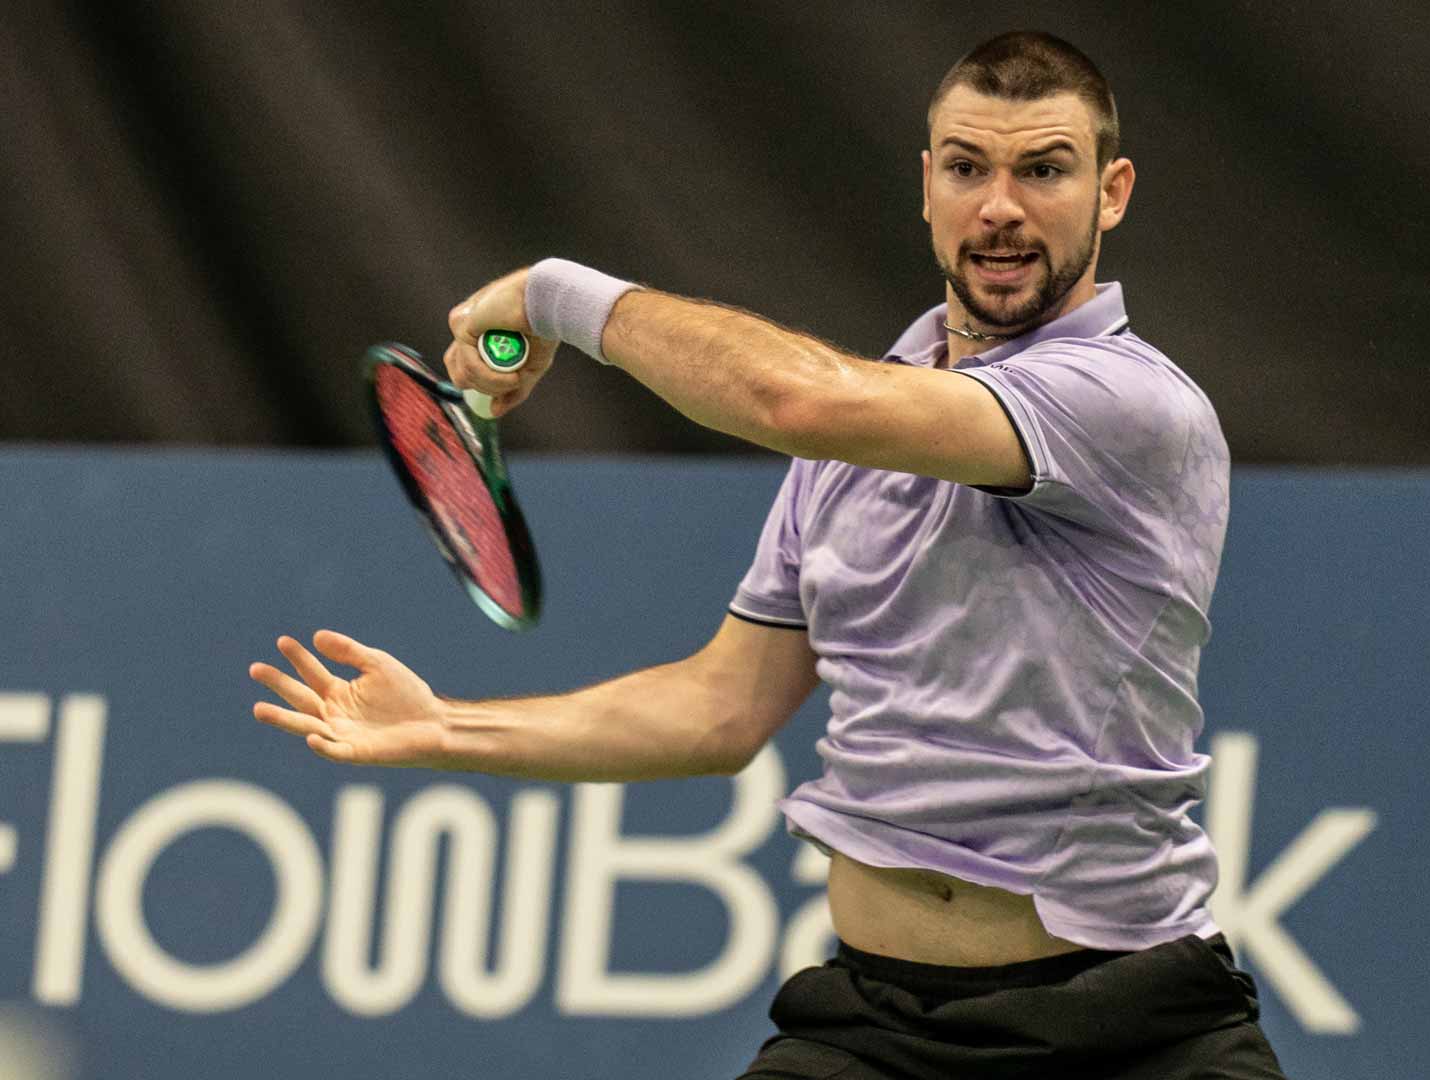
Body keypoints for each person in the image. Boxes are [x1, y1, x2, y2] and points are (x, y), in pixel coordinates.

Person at [249, 30, 1286, 1080]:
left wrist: (558, 292)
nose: (1001, 207)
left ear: (1111, 193)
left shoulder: (1129, 405)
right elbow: (720, 709)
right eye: (969, 168)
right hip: (876, 1030)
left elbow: (794, 398)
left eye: (1044, 171)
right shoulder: (844, 455)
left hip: (1130, 1031)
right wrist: (443, 728)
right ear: (927, 186)